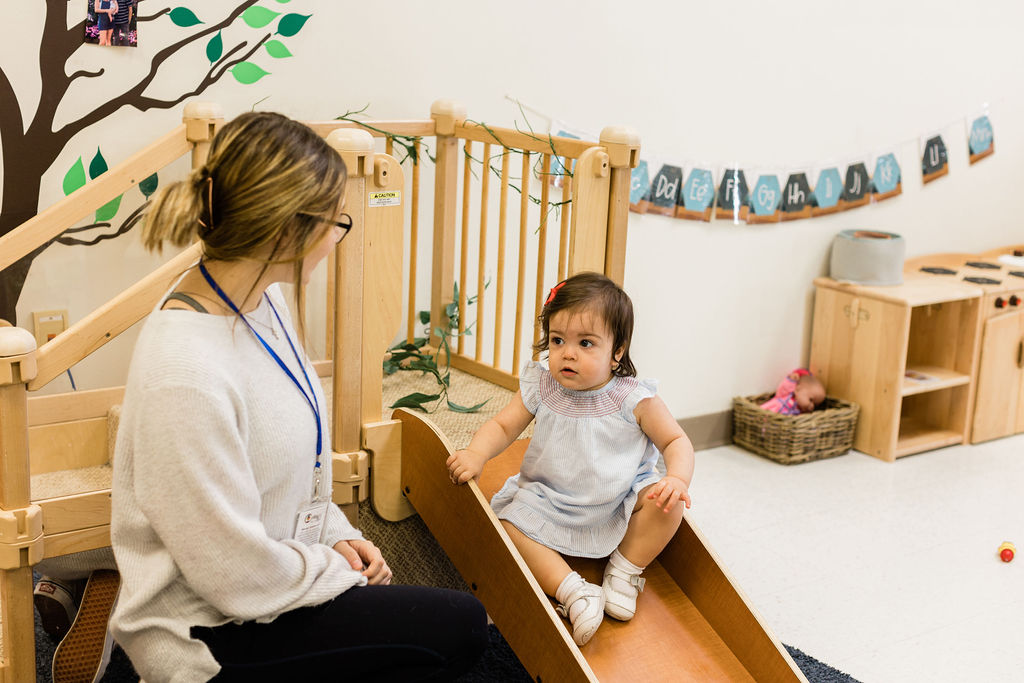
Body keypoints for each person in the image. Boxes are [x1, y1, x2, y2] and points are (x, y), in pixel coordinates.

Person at [106, 111, 487, 681]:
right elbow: (231, 575)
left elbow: (289, 475)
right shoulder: (185, 371)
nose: (337, 238)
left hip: (266, 586)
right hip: (207, 633)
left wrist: (339, 536)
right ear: (286, 230)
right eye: (335, 223)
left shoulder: (261, 299)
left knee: (450, 623)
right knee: (460, 627)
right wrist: (334, 571)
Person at [446, 272, 695, 646]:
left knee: (668, 504)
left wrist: (677, 478)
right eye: (558, 340)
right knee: (507, 526)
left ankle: (624, 570)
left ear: (617, 352)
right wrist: (476, 453)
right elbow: (502, 425)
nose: (568, 353)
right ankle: (574, 592)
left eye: (586, 343)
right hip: (550, 499)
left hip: (620, 499)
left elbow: (676, 440)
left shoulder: (633, 398)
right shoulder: (543, 385)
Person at [759, 368, 825, 414]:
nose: (812, 406)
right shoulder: (786, 395)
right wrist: (791, 380)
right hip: (769, 413)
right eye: (811, 400)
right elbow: (783, 388)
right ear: (797, 390)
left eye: (815, 405)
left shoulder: (801, 412)